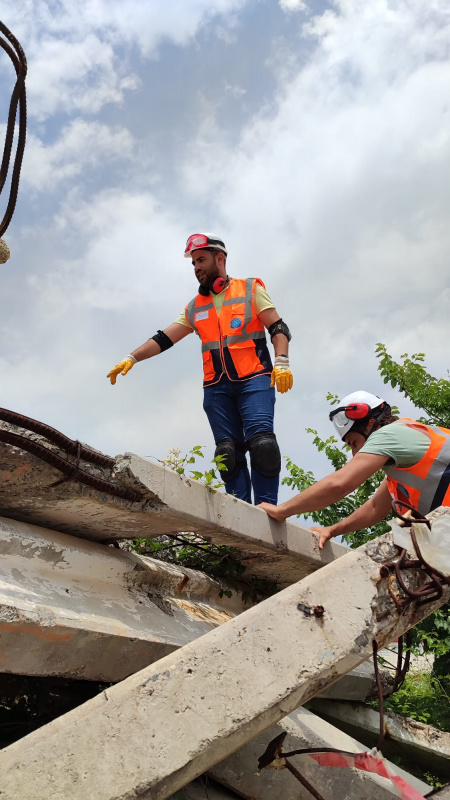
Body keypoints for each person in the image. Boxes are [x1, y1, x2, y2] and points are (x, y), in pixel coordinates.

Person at [107, 233, 293, 505]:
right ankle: (239, 512)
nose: (196, 267)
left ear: (220, 258)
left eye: (201, 260)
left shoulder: (250, 289)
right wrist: (131, 358)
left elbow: (278, 327)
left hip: (254, 378)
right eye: (193, 263)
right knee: (227, 453)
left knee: (262, 445)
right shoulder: (195, 307)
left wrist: (282, 361)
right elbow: (164, 338)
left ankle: (267, 509)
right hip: (217, 387)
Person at [258, 390, 450, 548]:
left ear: (371, 424)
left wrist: (282, 510)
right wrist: (332, 530)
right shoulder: (401, 463)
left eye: (353, 442)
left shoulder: (389, 435)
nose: (355, 453)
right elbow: (375, 508)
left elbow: (338, 484)